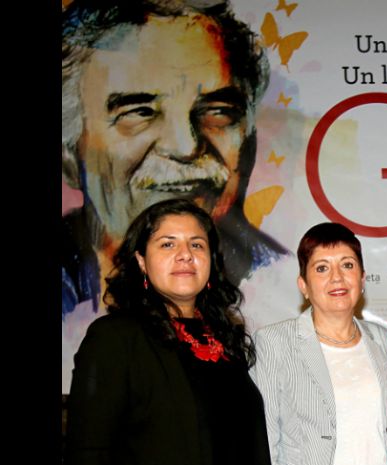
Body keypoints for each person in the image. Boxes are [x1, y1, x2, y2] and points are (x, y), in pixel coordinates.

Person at [62, 0, 287, 318]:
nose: (186, 147)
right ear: (69, 154)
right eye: (139, 112)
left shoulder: (285, 282)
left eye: (218, 112)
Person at [64, 198, 274, 465]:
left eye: (197, 244)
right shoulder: (114, 338)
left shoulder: (226, 341)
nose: (185, 254)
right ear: (141, 261)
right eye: (167, 244)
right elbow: (88, 456)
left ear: (211, 261)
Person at [253, 222, 387, 465]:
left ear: (362, 279)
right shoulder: (274, 343)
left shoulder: (386, 340)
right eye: (322, 268)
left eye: (347, 265)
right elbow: (265, 442)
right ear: (303, 285)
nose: (337, 278)